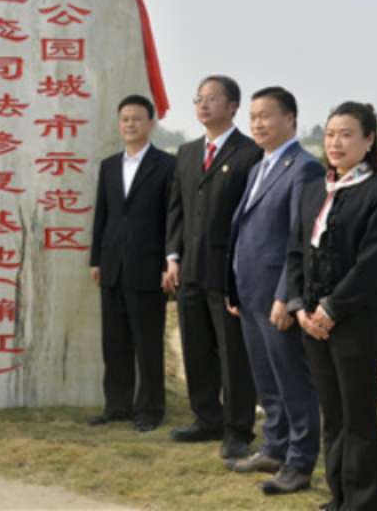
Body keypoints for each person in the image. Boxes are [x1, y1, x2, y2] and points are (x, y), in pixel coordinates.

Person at [287, 102, 377, 511]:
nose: (335, 142)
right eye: (330, 134)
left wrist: (332, 309)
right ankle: (338, 498)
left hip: (356, 323)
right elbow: (295, 254)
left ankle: (363, 504)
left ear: (369, 140)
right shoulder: (313, 191)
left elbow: (370, 264)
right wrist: (300, 308)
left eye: (347, 134)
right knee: (332, 415)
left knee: (359, 419)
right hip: (312, 323)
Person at [225, 87, 324, 495]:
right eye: (252, 117)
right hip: (250, 293)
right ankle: (274, 447)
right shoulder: (259, 167)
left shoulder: (304, 168)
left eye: (265, 115)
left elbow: (300, 240)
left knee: (292, 382)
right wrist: (234, 287)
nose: (257, 124)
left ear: (290, 119)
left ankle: (299, 463)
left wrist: (286, 295)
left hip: (277, 296)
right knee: (267, 382)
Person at [163, 75, 260, 459]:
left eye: (212, 98)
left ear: (233, 105)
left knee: (233, 354)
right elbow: (176, 209)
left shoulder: (249, 153)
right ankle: (207, 418)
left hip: (228, 273)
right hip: (189, 270)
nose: (203, 105)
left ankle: (237, 429)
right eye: (199, 99)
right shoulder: (187, 153)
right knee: (196, 347)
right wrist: (172, 256)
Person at [89, 95, 176, 432]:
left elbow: (172, 218)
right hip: (112, 265)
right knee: (114, 342)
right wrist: (96, 259)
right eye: (125, 119)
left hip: (148, 266)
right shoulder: (109, 166)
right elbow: (103, 215)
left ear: (151, 123)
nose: (130, 125)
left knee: (147, 343)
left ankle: (151, 410)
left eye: (137, 119)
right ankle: (117, 407)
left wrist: (170, 261)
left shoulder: (166, 165)